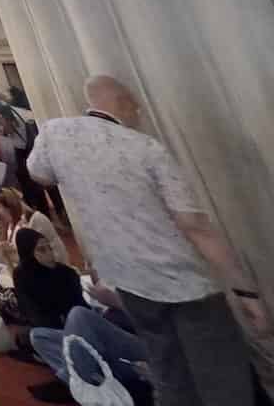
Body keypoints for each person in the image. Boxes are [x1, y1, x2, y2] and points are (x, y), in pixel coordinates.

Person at [27, 74, 264, 406]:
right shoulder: (146, 148)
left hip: (129, 281)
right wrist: (245, 289)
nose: (138, 112)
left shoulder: (55, 132)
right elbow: (194, 225)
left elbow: (39, 173)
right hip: (185, 286)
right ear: (124, 103)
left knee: (169, 372)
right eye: (135, 105)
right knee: (222, 379)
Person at [11, 227, 83, 331]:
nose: (50, 254)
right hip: (49, 329)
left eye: (49, 248)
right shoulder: (21, 275)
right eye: (42, 250)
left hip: (75, 325)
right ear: (28, 254)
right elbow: (30, 311)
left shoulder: (66, 273)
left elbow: (79, 308)